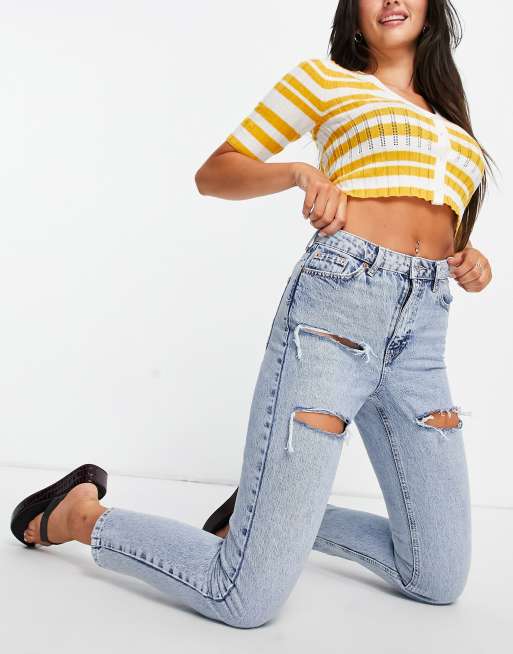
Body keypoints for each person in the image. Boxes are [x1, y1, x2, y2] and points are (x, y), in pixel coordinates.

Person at [17, 0, 494, 629]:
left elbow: (436, 219)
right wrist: (299, 173)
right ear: (353, 14)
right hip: (336, 315)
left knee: (438, 578)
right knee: (243, 599)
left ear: (432, 11)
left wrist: (468, 255)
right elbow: (215, 172)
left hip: (422, 332)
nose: (391, 0)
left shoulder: (451, 123)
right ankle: (78, 516)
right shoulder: (324, 82)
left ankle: (267, 516)